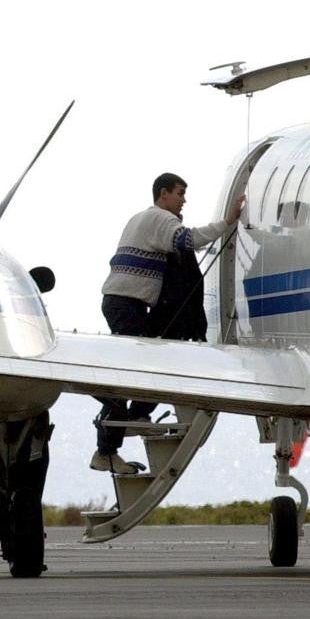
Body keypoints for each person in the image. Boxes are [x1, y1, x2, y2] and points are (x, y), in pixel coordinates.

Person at [91, 173, 244, 474]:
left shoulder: (141, 218)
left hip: (123, 302)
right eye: (180, 193)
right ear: (163, 194)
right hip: (127, 304)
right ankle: (107, 446)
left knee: (139, 367)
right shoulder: (161, 219)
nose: (183, 200)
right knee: (132, 372)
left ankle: (129, 421)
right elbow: (189, 240)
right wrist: (228, 222)